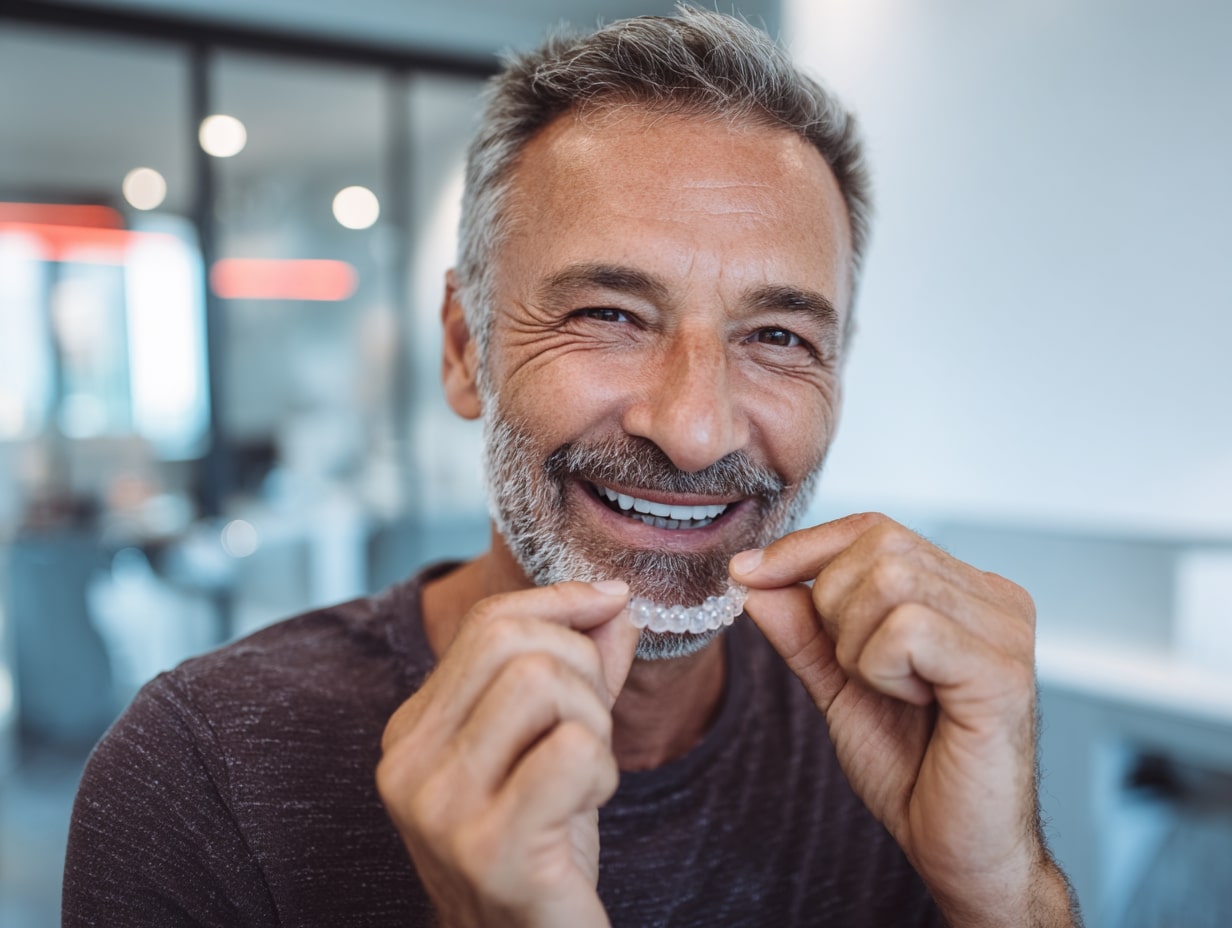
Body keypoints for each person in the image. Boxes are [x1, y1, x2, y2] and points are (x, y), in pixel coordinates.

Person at [64, 7, 1082, 927]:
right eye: (608, 315)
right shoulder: (200, 776)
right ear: (466, 349)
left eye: (775, 336)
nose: (692, 431)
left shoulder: (888, 736)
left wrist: (1000, 895)